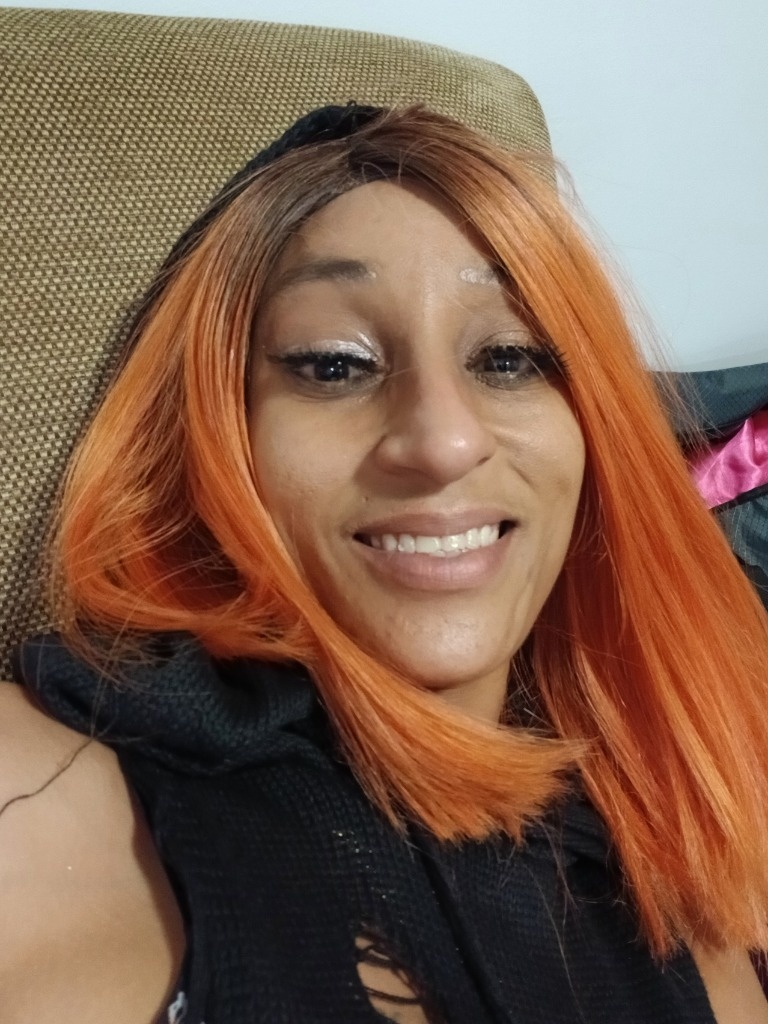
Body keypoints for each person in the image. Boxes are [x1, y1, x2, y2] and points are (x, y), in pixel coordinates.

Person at [2, 103, 768, 1024]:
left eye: (509, 358)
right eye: (334, 365)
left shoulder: (683, 839)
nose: (443, 442)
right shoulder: (51, 788)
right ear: (214, 434)